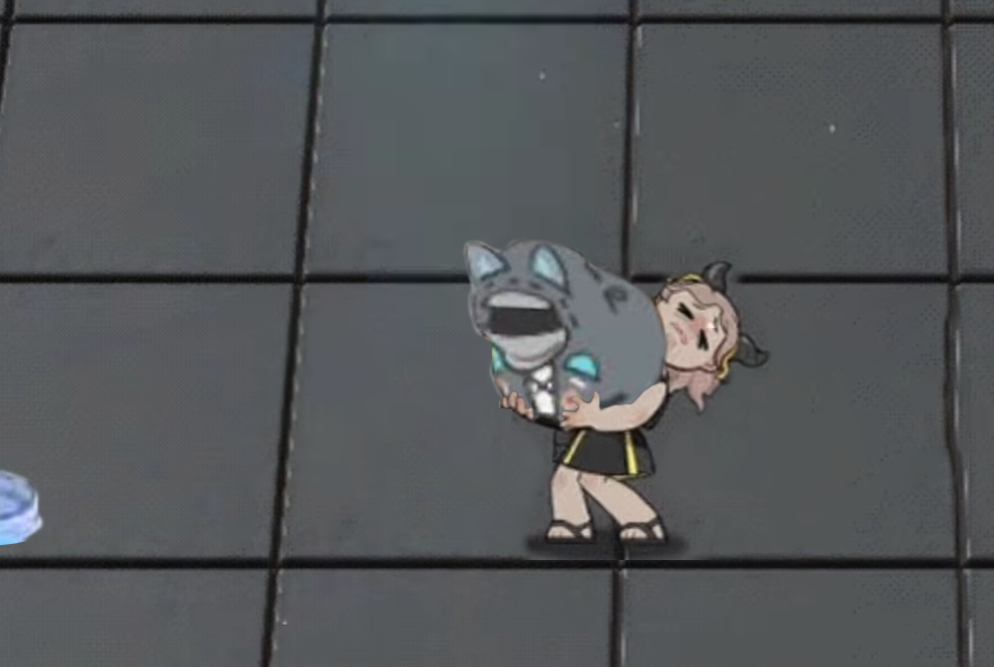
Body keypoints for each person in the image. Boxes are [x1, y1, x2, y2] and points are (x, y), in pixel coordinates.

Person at [500, 262, 768, 543]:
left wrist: (594, 418)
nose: (685, 329)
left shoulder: (655, 379)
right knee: (583, 480)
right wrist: (531, 403)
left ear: (706, 364)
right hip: (586, 423)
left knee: (579, 478)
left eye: (702, 340)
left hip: (609, 433)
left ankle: (604, 522)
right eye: (684, 312)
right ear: (661, 302)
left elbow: (638, 413)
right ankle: (603, 523)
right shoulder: (627, 351)